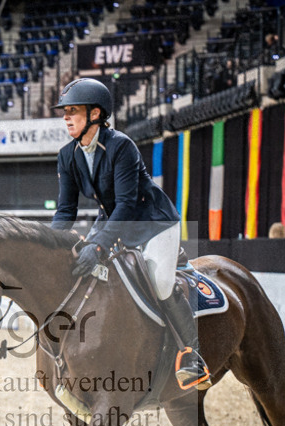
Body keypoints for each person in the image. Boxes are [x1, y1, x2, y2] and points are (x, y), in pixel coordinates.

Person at [50, 77, 210, 391]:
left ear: (95, 114)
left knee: (159, 283)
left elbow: (125, 203)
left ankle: (192, 355)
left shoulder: (121, 146)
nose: (66, 117)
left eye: (73, 111)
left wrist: (98, 245)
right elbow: (65, 210)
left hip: (153, 223)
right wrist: (47, 245)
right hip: (113, 222)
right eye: (64, 112)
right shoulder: (67, 155)